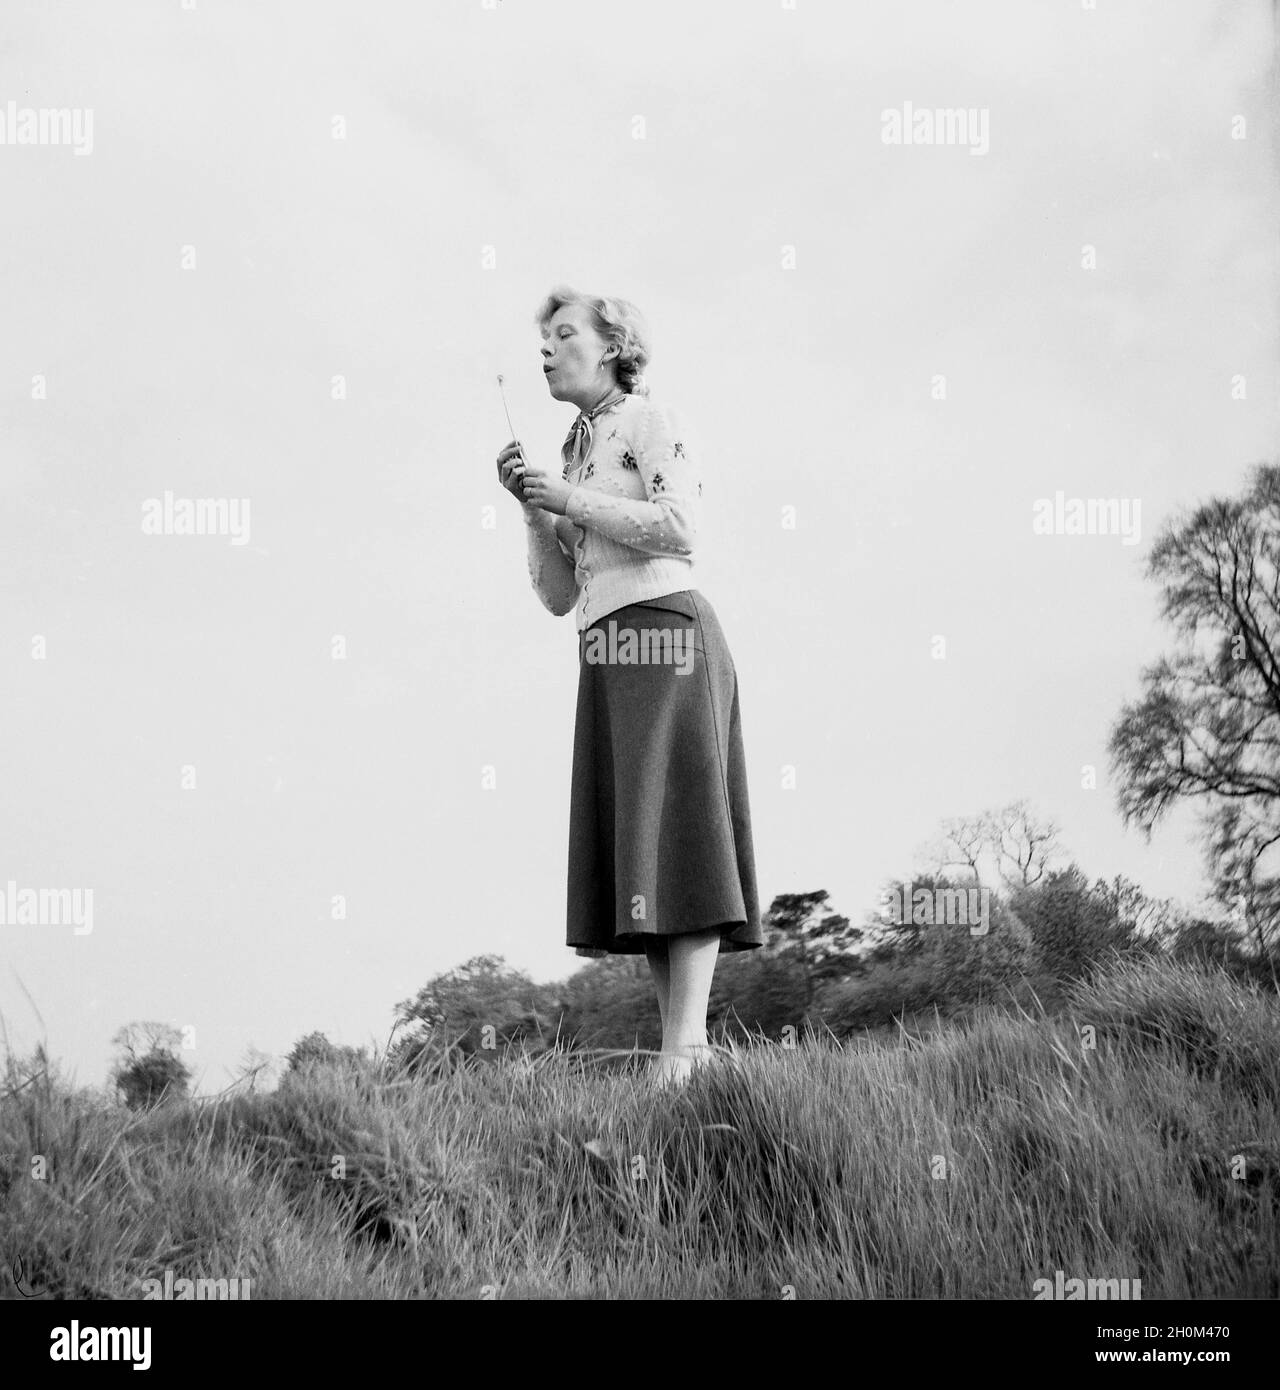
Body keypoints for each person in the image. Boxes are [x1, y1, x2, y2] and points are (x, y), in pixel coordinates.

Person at [495, 286, 762, 1087]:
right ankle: (682, 1052)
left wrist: (570, 498)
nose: (545, 349)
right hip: (606, 650)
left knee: (684, 837)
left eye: (563, 334)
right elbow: (557, 595)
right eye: (542, 339)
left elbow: (682, 529)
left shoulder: (652, 420)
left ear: (612, 344)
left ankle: (684, 1052)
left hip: (667, 635)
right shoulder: (575, 450)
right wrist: (533, 508)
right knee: (643, 851)